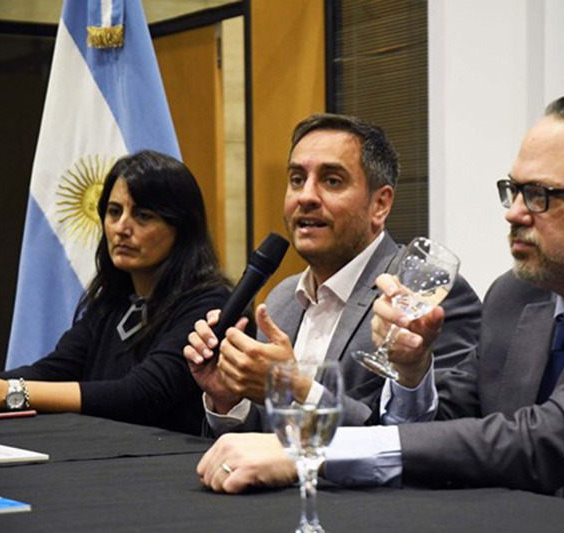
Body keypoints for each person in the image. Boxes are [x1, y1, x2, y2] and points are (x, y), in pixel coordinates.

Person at [195, 92, 564, 532]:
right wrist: (413, 375)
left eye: (542, 196)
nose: (514, 213)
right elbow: (453, 433)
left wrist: (311, 453)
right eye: (513, 190)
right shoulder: (518, 296)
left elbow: (543, 440)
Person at [184, 113, 481, 435]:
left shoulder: (422, 297)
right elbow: (273, 437)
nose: (306, 197)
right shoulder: (282, 299)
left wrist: (297, 389)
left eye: (332, 181)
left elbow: (432, 439)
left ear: (379, 204)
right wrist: (229, 401)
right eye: (297, 179)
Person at [0, 150, 229, 435]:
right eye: (114, 212)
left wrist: (9, 392)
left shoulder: (210, 303)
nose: (121, 228)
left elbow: (142, 394)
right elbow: (52, 372)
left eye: (143, 216)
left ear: (181, 229)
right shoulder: (113, 303)